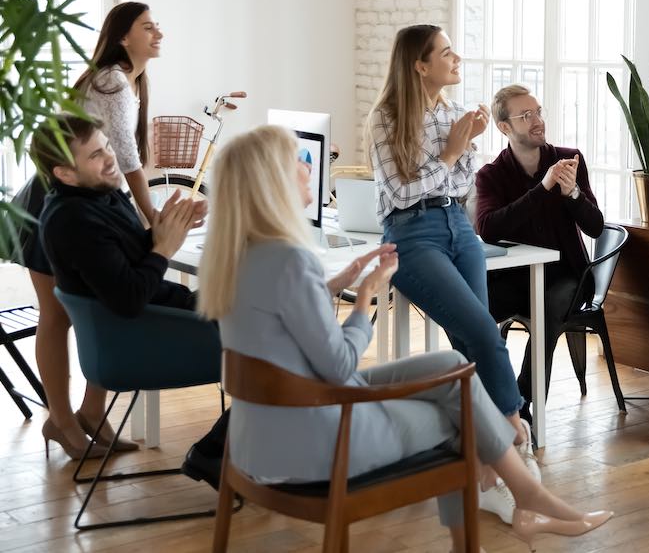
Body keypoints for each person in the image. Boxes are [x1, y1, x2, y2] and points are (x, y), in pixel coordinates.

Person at [199, 125, 612, 552]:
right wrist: (363, 299)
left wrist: (332, 283)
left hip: (257, 441)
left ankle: (517, 503)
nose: (311, 169)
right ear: (273, 184)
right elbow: (340, 365)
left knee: (453, 368)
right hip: (320, 440)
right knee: (463, 415)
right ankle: (512, 510)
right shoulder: (290, 259)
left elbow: (281, 322)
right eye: (299, 163)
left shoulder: (238, 256)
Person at [366, 23, 537, 521]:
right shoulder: (387, 118)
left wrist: (458, 149)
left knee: (471, 340)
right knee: (483, 330)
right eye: (445, 53)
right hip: (410, 236)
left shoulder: (448, 114)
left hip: (458, 229)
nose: (456, 57)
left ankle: (485, 469)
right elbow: (400, 194)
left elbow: (461, 181)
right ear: (420, 65)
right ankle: (514, 437)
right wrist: (453, 151)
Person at [29, 114, 205, 458]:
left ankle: (91, 415)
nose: (111, 158)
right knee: (269, 314)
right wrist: (164, 249)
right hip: (155, 333)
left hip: (159, 317)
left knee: (256, 291)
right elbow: (128, 299)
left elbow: (124, 259)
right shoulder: (75, 221)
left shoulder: (101, 196)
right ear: (64, 173)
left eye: (107, 146)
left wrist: (164, 229)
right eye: (95, 155)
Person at [475, 84, 605, 425]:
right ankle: (483, 393)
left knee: (547, 309)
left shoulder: (569, 159)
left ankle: (520, 403)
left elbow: (595, 226)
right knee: (468, 307)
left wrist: (572, 192)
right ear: (504, 127)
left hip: (569, 278)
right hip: (513, 279)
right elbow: (488, 227)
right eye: (525, 115)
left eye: (538, 112)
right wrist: (543, 188)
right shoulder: (490, 175)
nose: (537, 121)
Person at [73, 1, 163, 223]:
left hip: (93, 193)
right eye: (148, 28)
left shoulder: (131, 80)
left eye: (157, 26)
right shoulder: (113, 81)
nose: (159, 34)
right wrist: (154, 219)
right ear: (124, 38)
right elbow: (128, 159)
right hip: (83, 199)